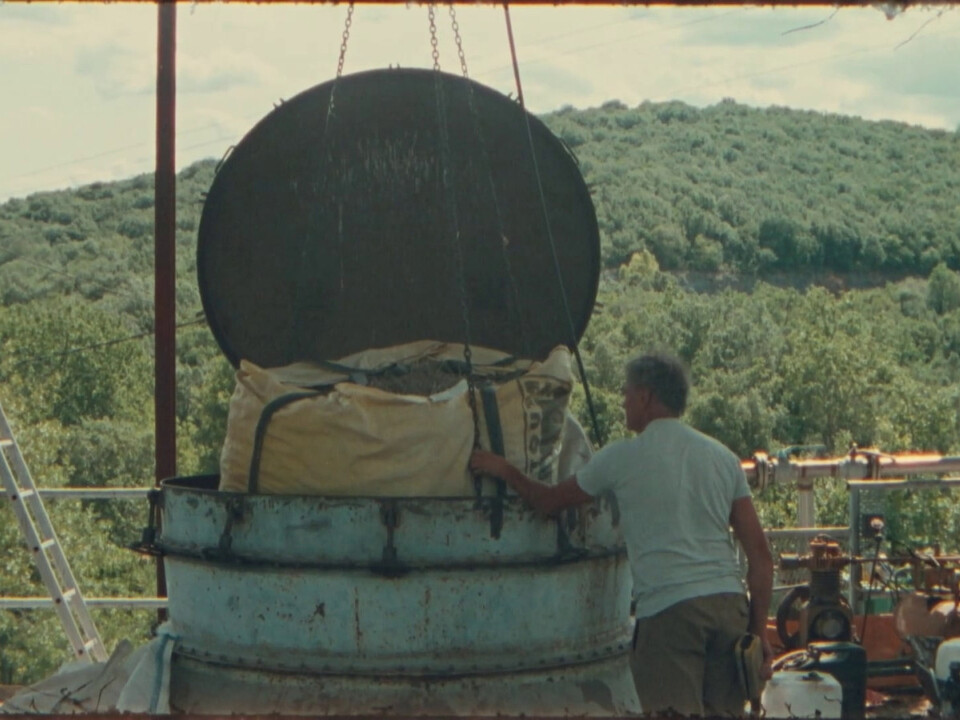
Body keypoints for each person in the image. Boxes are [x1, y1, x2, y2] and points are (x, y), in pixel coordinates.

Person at [470, 352, 774, 717]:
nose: (623, 401)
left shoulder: (622, 459)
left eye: (627, 393)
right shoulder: (722, 458)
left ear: (646, 396)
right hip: (728, 607)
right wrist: (758, 633)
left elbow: (548, 502)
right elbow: (760, 556)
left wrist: (503, 469)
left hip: (671, 612)